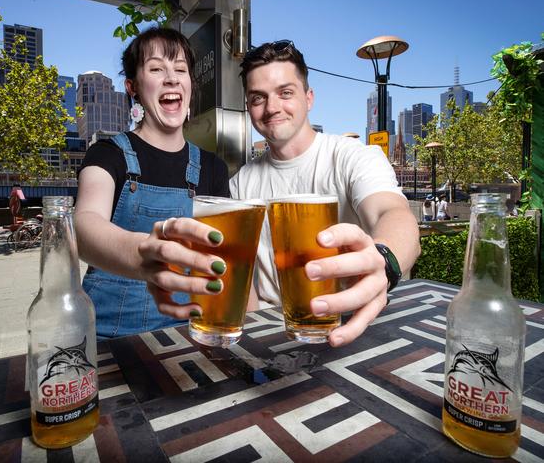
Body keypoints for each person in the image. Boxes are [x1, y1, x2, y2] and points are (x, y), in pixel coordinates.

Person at [229, 40, 421, 347]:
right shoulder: (240, 184)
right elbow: (246, 280)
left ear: (309, 98)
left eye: (285, 92)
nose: (272, 107)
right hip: (271, 335)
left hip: (348, 327)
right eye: (257, 98)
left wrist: (383, 260)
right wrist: (252, 344)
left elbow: (394, 214)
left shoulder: (353, 156)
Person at [75, 27, 230, 338]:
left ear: (189, 84)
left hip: (189, 332)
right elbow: (85, 225)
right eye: (157, 68)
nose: (171, 78)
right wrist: (144, 254)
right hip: (106, 336)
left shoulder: (213, 167)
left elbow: (225, 258)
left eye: (181, 69)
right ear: (132, 87)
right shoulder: (107, 154)